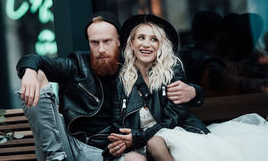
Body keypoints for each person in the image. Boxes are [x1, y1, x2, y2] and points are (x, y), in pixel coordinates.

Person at [16, 11, 203, 161]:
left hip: (109, 150)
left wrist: (194, 91)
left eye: (107, 41)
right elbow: (33, 59)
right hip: (71, 145)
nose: (101, 49)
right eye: (94, 43)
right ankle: (56, 158)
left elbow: (163, 78)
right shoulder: (76, 65)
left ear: (120, 41)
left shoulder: (131, 67)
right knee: (38, 74)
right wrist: (29, 71)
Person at [108, 14, 268, 161]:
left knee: (155, 143)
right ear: (132, 43)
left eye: (154, 39)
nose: (147, 44)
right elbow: (118, 122)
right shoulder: (121, 81)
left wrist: (139, 137)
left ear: (161, 46)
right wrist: (119, 143)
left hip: (173, 136)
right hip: (138, 142)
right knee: (131, 159)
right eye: (141, 38)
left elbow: (173, 118)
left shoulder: (172, 71)